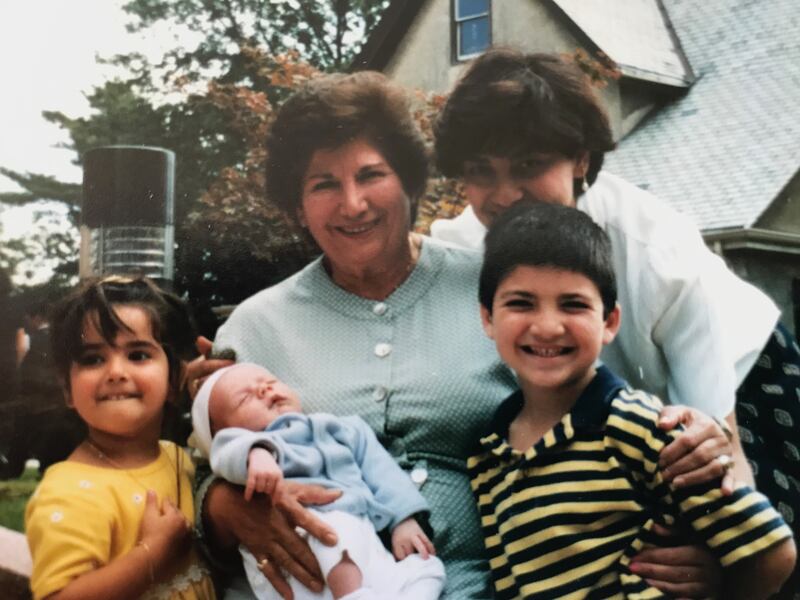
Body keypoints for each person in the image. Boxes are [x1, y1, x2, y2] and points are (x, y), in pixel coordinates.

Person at [187, 70, 734, 599]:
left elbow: (602, 414)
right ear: (297, 207)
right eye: (324, 184)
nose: (352, 203)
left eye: (372, 175)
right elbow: (188, 474)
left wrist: (691, 530)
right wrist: (222, 507)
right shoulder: (256, 326)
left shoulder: (500, 292)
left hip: (491, 585)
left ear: (410, 182)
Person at [430, 48, 800, 594]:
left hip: (746, 383)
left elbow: (716, 452)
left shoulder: (656, 246)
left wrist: (720, 568)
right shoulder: (461, 247)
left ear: (579, 159)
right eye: (482, 172)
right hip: (607, 416)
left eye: (529, 165)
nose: (504, 195)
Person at [470, 200, 796, 599]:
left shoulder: (638, 427)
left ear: (609, 322)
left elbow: (772, 552)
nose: (548, 327)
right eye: (521, 303)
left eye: (573, 304)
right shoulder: (489, 454)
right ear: (487, 318)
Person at [24, 276, 216, 600]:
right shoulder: (69, 492)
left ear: (173, 380)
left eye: (138, 355)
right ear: (67, 390)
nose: (115, 372)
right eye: (92, 359)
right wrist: (153, 554)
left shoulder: (179, 457)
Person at [191, 362, 445, 600]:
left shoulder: (340, 428)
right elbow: (223, 454)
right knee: (334, 535)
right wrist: (255, 454)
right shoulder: (242, 446)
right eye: (244, 398)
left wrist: (404, 519)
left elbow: (381, 469)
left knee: (426, 568)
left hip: (363, 532)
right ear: (221, 432)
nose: (265, 389)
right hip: (299, 537)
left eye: (270, 381)